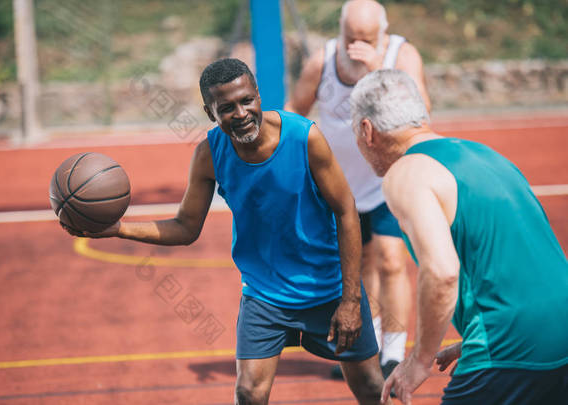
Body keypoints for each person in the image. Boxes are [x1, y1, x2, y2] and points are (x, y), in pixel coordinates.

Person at [61, 58, 392, 405]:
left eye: (247, 100)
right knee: (248, 392)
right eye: (227, 107)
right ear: (210, 112)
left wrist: (351, 300)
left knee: (370, 387)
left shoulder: (304, 138)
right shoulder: (210, 154)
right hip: (265, 295)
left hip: (328, 288)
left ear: (258, 95)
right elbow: (185, 227)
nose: (241, 113)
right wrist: (117, 229)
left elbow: (346, 211)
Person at [349, 68, 568, 405]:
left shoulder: (406, 172)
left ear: (367, 130)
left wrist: (419, 360)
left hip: (507, 344)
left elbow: (442, 272)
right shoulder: (487, 156)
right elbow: (530, 262)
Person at [285, 0, 430, 379]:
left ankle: (395, 354)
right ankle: (370, 347)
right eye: (351, 37)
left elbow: (421, 112)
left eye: (366, 38)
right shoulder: (323, 61)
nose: (356, 45)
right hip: (342, 186)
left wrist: (377, 71)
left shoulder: (402, 54)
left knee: (392, 259)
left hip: (388, 180)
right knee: (359, 265)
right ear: (341, 30)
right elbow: (294, 112)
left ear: (382, 33)